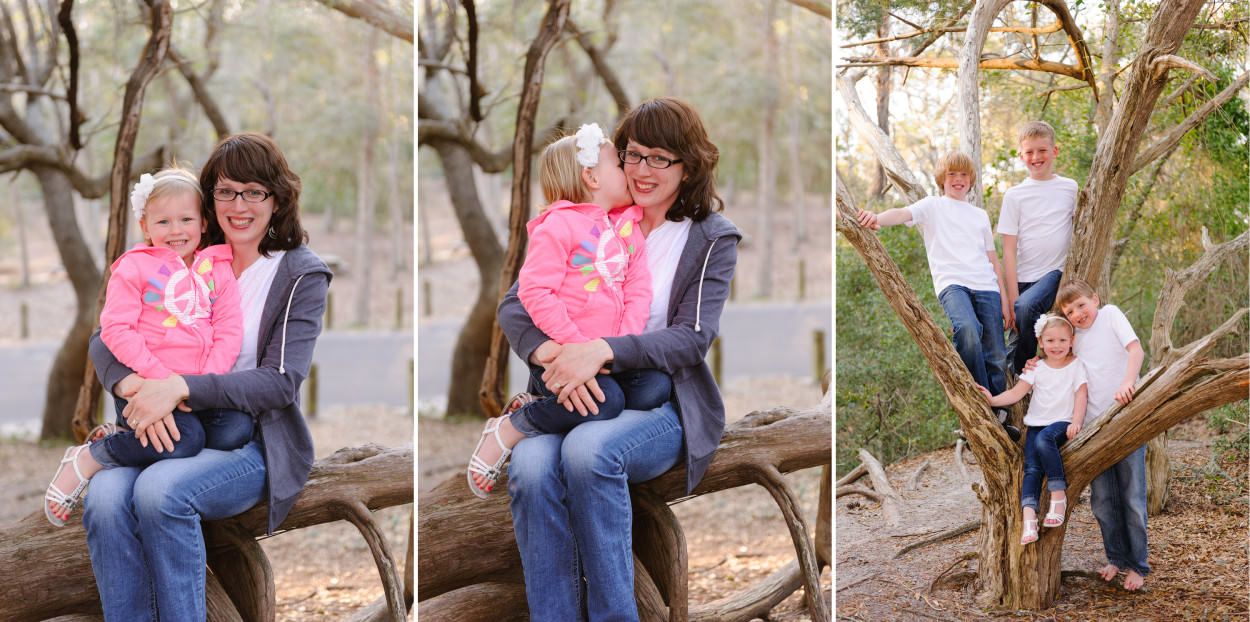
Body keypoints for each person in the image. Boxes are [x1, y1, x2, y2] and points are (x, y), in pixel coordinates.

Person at [497, 97, 740, 621]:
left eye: (660, 158)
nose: (642, 170)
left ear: (688, 166)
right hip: (576, 392)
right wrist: (558, 355)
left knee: (589, 453)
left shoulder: (709, 238)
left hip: (660, 403)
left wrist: (604, 350)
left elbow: (691, 339)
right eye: (632, 154)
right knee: (533, 467)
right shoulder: (588, 219)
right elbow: (516, 304)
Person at [82, 133, 332, 621]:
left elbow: (280, 382)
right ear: (208, 199)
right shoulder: (188, 249)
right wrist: (137, 389)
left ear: (276, 198)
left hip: (249, 440)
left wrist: (181, 387)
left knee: (160, 493)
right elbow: (104, 336)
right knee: (106, 499)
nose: (239, 205)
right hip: (165, 424)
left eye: (254, 192)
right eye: (225, 191)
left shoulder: (299, 273)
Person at [466, 122, 670, 498]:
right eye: (618, 164)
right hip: (564, 357)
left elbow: (638, 289)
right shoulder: (556, 226)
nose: (628, 171)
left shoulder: (627, 229)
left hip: (608, 354)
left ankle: (549, 405)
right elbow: (535, 292)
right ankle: (513, 426)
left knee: (655, 386)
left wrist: (617, 345)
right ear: (590, 177)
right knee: (607, 402)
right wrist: (575, 350)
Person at [43, 168, 251, 527]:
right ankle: (91, 456)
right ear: (145, 227)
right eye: (163, 221)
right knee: (187, 441)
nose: (175, 230)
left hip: (195, 388)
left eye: (186, 219)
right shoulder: (133, 268)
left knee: (236, 428)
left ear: (203, 223)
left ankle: (130, 438)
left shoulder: (217, 267)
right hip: (145, 384)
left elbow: (229, 329)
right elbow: (116, 329)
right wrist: (160, 382)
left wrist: (199, 383)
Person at [856, 151, 1017, 439]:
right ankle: (983, 407)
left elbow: (993, 260)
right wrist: (876, 218)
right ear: (942, 180)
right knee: (968, 330)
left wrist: (1005, 300)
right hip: (952, 283)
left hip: (987, 286)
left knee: (996, 352)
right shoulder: (933, 206)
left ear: (971, 180)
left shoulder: (980, 215)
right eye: (952, 175)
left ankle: (998, 413)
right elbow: (903, 214)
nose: (958, 180)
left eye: (964, 175)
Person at [1056, 278, 1148, 590]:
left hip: (1125, 420)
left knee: (1132, 497)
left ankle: (1138, 565)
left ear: (1094, 299)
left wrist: (1128, 382)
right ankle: (1117, 558)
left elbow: (1136, 350)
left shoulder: (1110, 315)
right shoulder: (1074, 339)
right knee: (1104, 501)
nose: (1078, 314)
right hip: (1094, 429)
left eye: (1081, 305)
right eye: (1070, 312)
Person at [980, 314, 1087, 545]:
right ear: (1040, 342)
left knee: (1044, 440)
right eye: (1050, 341)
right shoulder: (1036, 367)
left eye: (1061, 340)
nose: (1056, 346)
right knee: (1031, 470)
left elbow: (1081, 394)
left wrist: (1077, 421)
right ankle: (1030, 520)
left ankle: (1059, 496)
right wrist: (992, 400)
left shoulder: (1076, 365)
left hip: (1062, 422)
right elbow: (1016, 393)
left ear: (1071, 340)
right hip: (1036, 423)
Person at [997, 121, 1079, 375]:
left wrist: (1019, 305)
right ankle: (1016, 382)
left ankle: (1020, 369)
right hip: (1023, 280)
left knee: (1025, 309)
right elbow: (1008, 252)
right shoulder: (1015, 195)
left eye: (1042, 150)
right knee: (1019, 322)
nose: (1036, 157)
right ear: (1021, 156)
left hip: (1055, 274)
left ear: (1054, 151)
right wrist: (1012, 297)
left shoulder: (1070, 187)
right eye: (1029, 152)